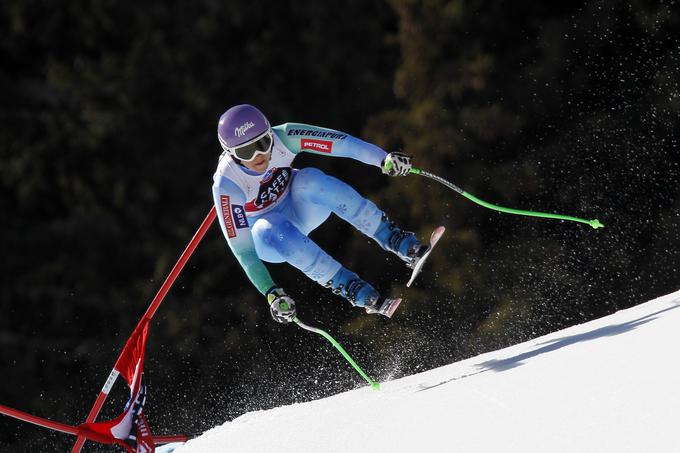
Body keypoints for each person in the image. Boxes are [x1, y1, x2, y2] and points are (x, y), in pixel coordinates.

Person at [211, 104, 428, 324]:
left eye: (263, 142)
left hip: (302, 208)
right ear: (231, 154)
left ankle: (396, 239)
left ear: (270, 133)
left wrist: (383, 159)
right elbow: (245, 252)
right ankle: (351, 287)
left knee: (311, 180)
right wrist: (271, 292)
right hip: (271, 239)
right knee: (271, 227)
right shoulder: (226, 185)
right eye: (247, 151)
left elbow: (342, 143)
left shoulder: (283, 137)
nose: (259, 155)